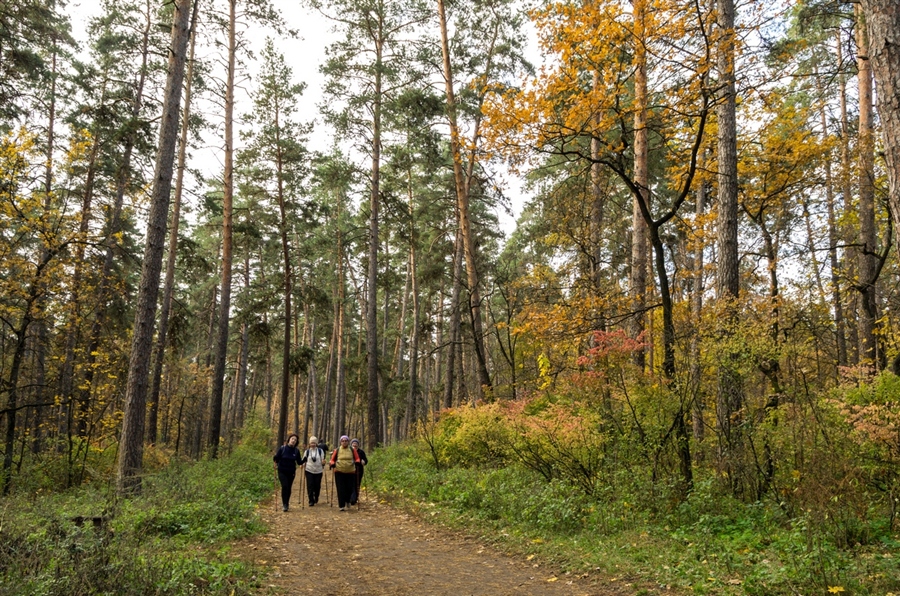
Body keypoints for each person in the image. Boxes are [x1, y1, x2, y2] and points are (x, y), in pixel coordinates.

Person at [329, 435, 360, 511]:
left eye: (346, 441)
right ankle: (341, 505)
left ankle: (348, 500)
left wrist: (357, 462)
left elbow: (357, 458)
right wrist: (332, 463)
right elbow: (332, 459)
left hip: (350, 471)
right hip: (339, 471)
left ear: (348, 442)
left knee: (349, 488)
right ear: (340, 442)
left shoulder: (352, 450)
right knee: (340, 488)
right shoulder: (337, 450)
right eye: (343, 441)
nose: (344, 442)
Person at [273, 433, 302, 511]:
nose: (293, 441)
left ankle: (287, 503)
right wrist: (275, 458)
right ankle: (284, 504)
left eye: (295, 440)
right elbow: (277, 459)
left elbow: (299, 462)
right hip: (282, 471)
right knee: (285, 486)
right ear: (289, 439)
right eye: (292, 439)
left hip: (291, 472)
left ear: (296, 442)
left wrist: (304, 460)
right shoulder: (283, 448)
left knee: (289, 488)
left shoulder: (296, 451)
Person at [300, 436, 325, 506]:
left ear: (316, 443)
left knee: (317, 486)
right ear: (309, 444)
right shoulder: (307, 451)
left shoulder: (320, 451)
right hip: (309, 470)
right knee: (310, 485)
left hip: (318, 471)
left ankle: (316, 497)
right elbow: (304, 459)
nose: (313, 444)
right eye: (311, 443)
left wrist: (323, 462)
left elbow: (323, 459)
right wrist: (302, 464)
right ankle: (311, 500)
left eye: (314, 443)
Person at [349, 438, 367, 505]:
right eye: (353, 443)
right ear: (351, 444)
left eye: (356, 444)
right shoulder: (349, 451)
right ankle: (352, 498)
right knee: (351, 484)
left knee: (357, 484)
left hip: (359, 471)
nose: (355, 445)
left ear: (358, 445)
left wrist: (364, 462)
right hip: (350, 470)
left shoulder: (361, 452)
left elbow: (365, 460)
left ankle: (355, 498)